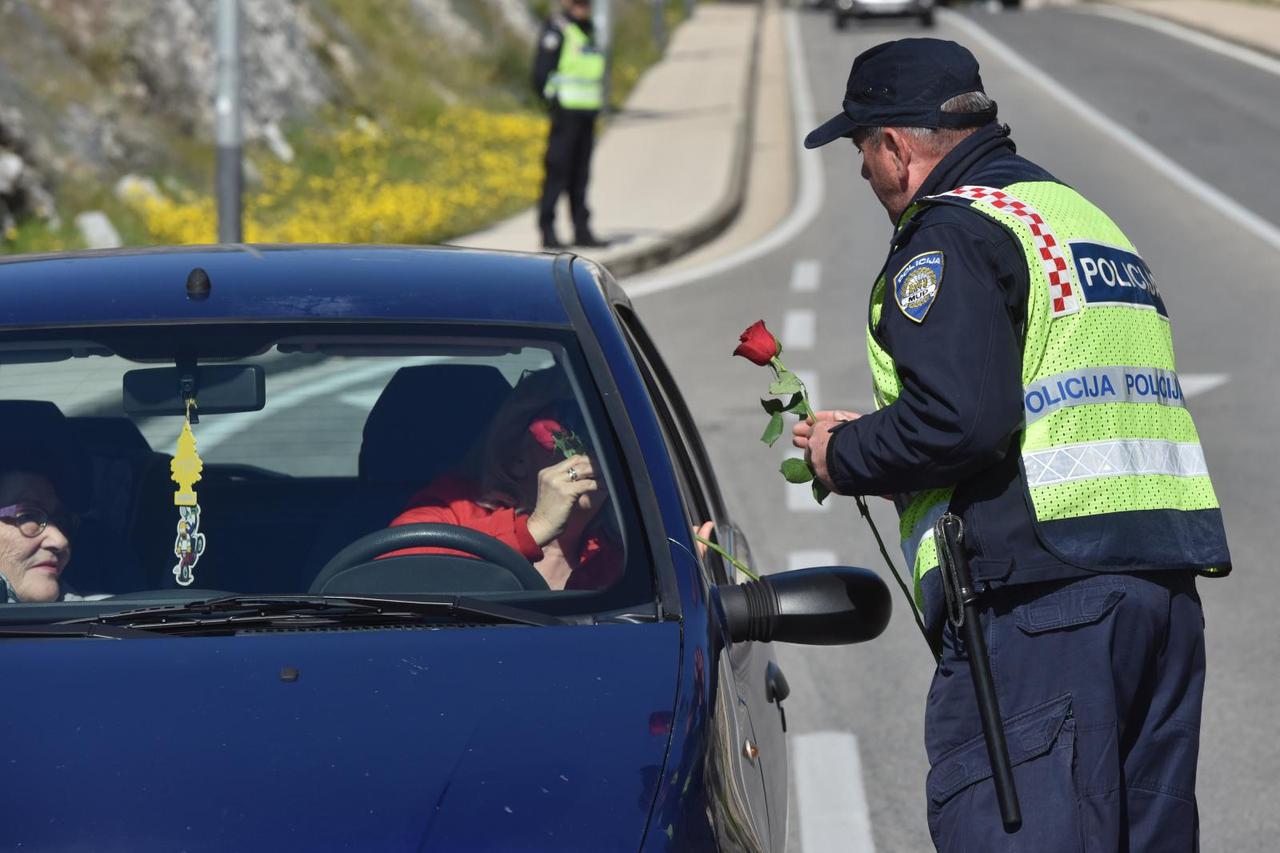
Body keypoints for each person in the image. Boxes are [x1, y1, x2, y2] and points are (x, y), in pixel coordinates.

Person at [792, 38, 1230, 851]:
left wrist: (842, 456)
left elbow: (962, 421)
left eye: (860, 149)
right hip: (1160, 596)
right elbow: (1032, 400)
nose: (861, 173)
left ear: (894, 146)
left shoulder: (949, 235)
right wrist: (885, 436)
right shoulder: (1074, 217)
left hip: (1048, 610)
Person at [386, 367, 621, 591]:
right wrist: (533, 529)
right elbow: (393, 574)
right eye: (574, 425)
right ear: (515, 457)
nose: (593, 449)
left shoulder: (633, 542)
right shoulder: (451, 512)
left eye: (604, 431)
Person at [532, 0, 609, 251]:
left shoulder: (589, 30)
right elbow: (541, 73)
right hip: (566, 115)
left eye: (586, 3)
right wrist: (553, 102)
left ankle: (582, 230)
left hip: (587, 115)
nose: (582, 6)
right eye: (577, 2)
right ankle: (547, 230)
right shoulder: (558, 29)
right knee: (557, 172)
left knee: (581, 176)